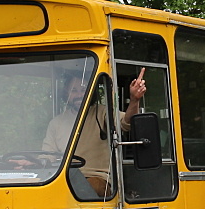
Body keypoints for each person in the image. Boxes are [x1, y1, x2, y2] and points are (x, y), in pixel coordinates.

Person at [41, 69, 147, 197]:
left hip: (97, 178)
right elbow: (47, 154)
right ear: (66, 94)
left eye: (83, 89)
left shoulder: (103, 112)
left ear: (92, 91)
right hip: (63, 179)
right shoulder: (56, 123)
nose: (79, 94)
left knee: (83, 190)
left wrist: (134, 100)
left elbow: (125, 123)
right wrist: (32, 164)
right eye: (74, 91)